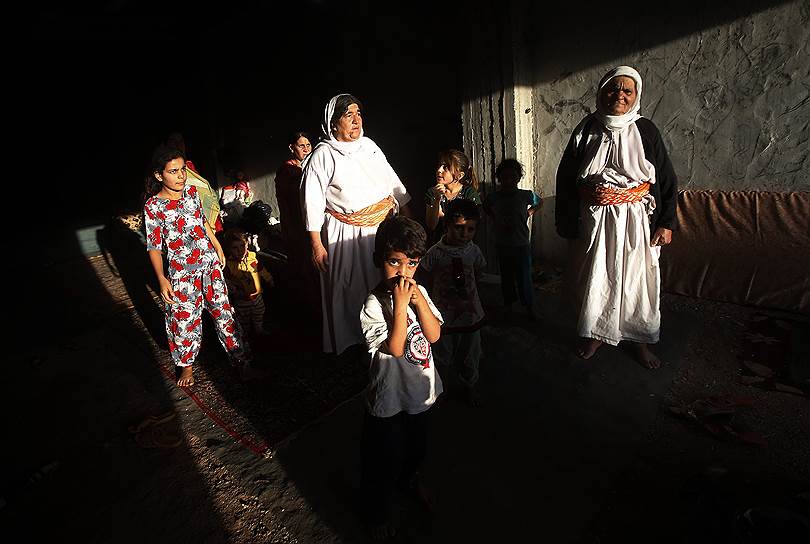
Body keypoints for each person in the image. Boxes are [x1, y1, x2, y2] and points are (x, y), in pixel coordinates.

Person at [555, 65, 677, 369]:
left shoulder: (646, 130)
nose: (619, 95)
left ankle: (640, 340)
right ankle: (598, 332)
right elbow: (567, 176)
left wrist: (666, 222)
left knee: (637, 280)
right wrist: (567, 221)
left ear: (636, 95)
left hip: (637, 219)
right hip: (594, 219)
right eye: (613, 88)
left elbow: (665, 178)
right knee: (597, 277)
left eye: (627, 90)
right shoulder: (586, 128)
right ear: (601, 91)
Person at [301, 93, 412, 355]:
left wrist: (407, 214)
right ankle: (353, 341)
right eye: (348, 115)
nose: (356, 120)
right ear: (333, 122)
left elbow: (392, 181)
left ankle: (391, 334)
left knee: (384, 281)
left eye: (358, 114)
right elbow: (312, 201)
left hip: (382, 228)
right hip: (345, 234)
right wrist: (316, 243)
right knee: (350, 287)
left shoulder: (369, 146)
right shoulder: (323, 155)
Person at [359, 216, 442, 539]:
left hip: (419, 392)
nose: (403, 273)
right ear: (379, 259)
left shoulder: (418, 291)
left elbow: (433, 335)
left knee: (416, 448)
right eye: (394, 262)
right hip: (388, 399)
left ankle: (411, 480)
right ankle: (376, 513)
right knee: (381, 460)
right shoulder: (373, 304)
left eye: (412, 264)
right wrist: (400, 306)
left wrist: (418, 301)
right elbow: (394, 347)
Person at [143, 145, 251, 387]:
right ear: (159, 175)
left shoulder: (191, 192)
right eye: (173, 171)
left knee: (225, 314)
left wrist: (218, 247)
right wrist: (161, 278)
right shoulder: (154, 207)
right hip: (182, 274)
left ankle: (242, 362)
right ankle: (186, 366)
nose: (181, 176)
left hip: (209, 266)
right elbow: (154, 246)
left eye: (182, 170)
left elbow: (203, 223)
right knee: (184, 320)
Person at [420, 198, 486, 406]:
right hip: (442, 316)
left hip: (470, 314)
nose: (464, 234)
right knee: (441, 354)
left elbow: (479, 270)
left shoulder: (473, 250)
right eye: (458, 228)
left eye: (470, 229)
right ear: (447, 225)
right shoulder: (435, 253)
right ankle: (441, 387)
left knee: (470, 354)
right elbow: (423, 275)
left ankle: (469, 386)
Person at [484, 158, 542, 319]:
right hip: (502, 244)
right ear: (499, 178)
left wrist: (530, 212)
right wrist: (494, 218)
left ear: (518, 178)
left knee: (524, 278)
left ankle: (529, 307)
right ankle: (508, 306)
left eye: (512, 177)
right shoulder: (493, 197)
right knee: (507, 278)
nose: (508, 181)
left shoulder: (526, 195)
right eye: (504, 177)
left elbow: (540, 202)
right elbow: (485, 207)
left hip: (521, 244)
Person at [274, 131, 320, 321]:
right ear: (292, 148)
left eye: (308, 145)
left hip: (307, 226)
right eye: (301, 146)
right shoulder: (289, 171)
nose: (306, 149)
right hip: (297, 228)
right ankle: (310, 315)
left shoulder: (306, 167)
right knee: (305, 271)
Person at [165, 131, 224, 232]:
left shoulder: (189, 166)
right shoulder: (162, 171)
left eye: (181, 141)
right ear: (166, 145)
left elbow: (202, 192)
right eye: (173, 141)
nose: (178, 145)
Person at [221, 227, 273, 337]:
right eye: (235, 248)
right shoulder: (229, 265)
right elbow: (228, 282)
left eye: (242, 246)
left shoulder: (252, 258)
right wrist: (234, 290)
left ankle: (259, 330)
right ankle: (246, 334)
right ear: (229, 249)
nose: (240, 250)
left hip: (257, 296)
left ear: (247, 244)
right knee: (244, 320)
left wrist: (269, 279)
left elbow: (261, 269)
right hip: (242, 300)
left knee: (259, 313)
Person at [424, 149, 481, 245]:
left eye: (446, 167)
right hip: (439, 246)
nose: (439, 170)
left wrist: (444, 215)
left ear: (459, 175)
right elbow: (431, 225)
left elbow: (471, 223)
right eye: (439, 166)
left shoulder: (469, 194)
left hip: (463, 246)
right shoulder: (432, 193)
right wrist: (437, 199)